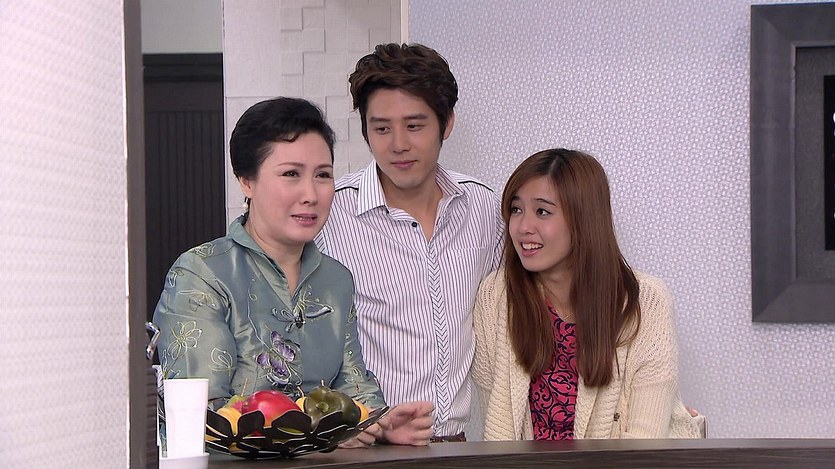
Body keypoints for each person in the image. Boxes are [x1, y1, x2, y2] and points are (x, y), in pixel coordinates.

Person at [152, 97, 433, 447]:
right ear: (247, 181)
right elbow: (202, 417)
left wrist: (380, 424)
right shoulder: (202, 273)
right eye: (291, 174)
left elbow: (354, 386)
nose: (311, 194)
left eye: (323, 175)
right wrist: (324, 433)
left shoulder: (336, 279)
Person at [315, 43, 504, 441]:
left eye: (414, 126)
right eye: (382, 128)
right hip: (364, 445)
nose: (398, 144)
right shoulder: (331, 214)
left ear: (446, 124)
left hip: (455, 445)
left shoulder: (484, 209)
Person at [471, 148, 701, 440]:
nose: (523, 227)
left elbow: (644, 443)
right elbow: (497, 426)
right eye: (516, 209)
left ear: (583, 218)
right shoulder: (496, 296)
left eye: (542, 212)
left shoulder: (646, 301)